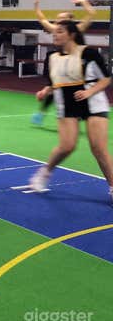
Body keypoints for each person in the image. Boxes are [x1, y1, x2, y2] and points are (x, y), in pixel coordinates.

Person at [29, 21, 113, 205]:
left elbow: (106, 79)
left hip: (93, 101)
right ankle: (45, 172)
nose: (55, 34)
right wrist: (46, 91)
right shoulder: (52, 57)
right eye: (54, 31)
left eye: (59, 31)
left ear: (72, 34)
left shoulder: (89, 53)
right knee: (67, 146)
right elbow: (55, 81)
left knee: (98, 147)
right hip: (66, 103)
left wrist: (89, 92)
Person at [31, 0, 94, 125]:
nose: (58, 21)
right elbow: (42, 19)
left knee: (68, 89)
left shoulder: (78, 29)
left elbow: (91, 13)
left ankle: (77, 112)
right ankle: (44, 109)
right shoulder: (55, 29)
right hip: (60, 64)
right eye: (58, 19)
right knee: (56, 88)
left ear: (70, 21)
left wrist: (83, 2)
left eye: (62, 18)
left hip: (76, 65)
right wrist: (36, 5)